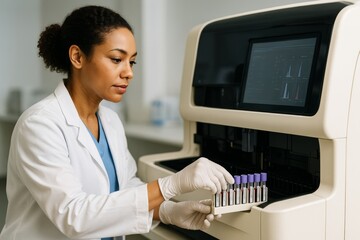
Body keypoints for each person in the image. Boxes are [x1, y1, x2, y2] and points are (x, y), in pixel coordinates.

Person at [0, 5, 234, 240]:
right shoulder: (39, 125)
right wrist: (170, 185)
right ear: (78, 57)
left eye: (131, 62)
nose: (128, 73)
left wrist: (167, 211)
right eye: (116, 59)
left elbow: (124, 187)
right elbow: (74, 217)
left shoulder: (110, 121)